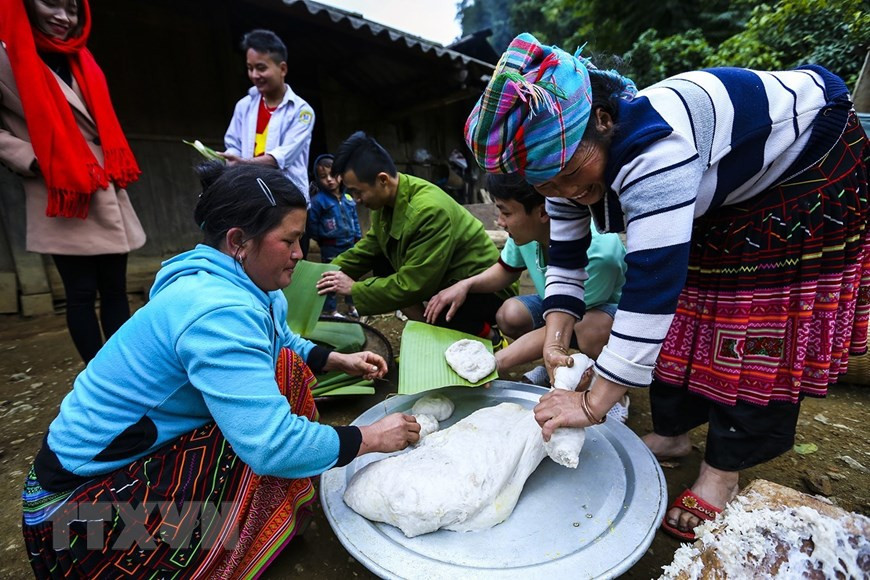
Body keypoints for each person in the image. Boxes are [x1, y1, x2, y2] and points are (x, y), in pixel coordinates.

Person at [465, 33, 869, 541]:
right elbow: (566, 258)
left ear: (605, 121)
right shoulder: (563, 163)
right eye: (545, 186)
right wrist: (555, 334)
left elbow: (651, 292)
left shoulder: (656, 152)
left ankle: (722, 471)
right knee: (694, 307)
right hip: (726, 186)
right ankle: (675, 434)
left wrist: (592, 404)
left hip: (808, 158)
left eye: (569, 175)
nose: (565, 192)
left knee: (756, 317)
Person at [21, 163, 420, 578]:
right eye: (289, 240)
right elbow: (271, 445)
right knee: (267, 438)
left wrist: (338, 360)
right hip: (76, 512)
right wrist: (371, 437)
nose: (301, 254)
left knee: (286, 370)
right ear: (238, 242)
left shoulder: (245, 283)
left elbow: (280, 342)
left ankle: (262, 520)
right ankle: (210, 547)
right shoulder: (217, 312)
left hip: (133, 455)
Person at [0, 0, 146, 364]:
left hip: (105, 183)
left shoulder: (82, 57)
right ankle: (99, 381)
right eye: (51, 3)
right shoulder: (6, 57)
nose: (64, 18)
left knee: (115, 289)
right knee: (80, 293)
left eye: (73, 9)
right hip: (63, 191)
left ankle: (125, 373)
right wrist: (31, 159)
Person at [424, 173, 626, 395]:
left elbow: (564, 323)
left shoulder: (599, 253)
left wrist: (494, 362)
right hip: (560, 306)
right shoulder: (527, 233)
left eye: (506, 212)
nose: (500, 221)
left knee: (589, 329)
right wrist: (465, 285)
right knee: (509, 314)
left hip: (604, 315)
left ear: (542, 212)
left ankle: (606, 383)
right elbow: (505, 270)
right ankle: (557, 364)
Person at [316, 131, 516, 343]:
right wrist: (322, 275)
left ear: (382, 180)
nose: (356, 199)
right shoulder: (386, 203)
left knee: (440, 305)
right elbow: (368, 248)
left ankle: (489, 337)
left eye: (358, 192)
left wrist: (354, 289)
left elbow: (414, 285)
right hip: (443, 276)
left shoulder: (428, 210)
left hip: (484, 288)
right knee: (383, 263)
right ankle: (433, 333)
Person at [221, 29, 314, 203]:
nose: (255, 75)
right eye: (250, 68)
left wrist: (242, 162)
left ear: (282, 68)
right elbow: (233, 144)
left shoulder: (302, 111)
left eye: (261, 68)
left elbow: (283, 157)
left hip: (287, 200)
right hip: (252, 196)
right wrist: (231, 158)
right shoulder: (243, 106)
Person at [307, 153, 361, 318]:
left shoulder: (348, 198)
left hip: (350, 243)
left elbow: (355, 219)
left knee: (350, 274)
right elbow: (312, 223)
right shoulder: (318, 201)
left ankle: (352, 306)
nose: (329, 179)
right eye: (323, 177)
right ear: (318, 178)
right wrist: (321, 239)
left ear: (341, 175)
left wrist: (358, 236)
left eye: (333, 175)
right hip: (330, 245)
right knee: (330, 277)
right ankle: (331, 309)